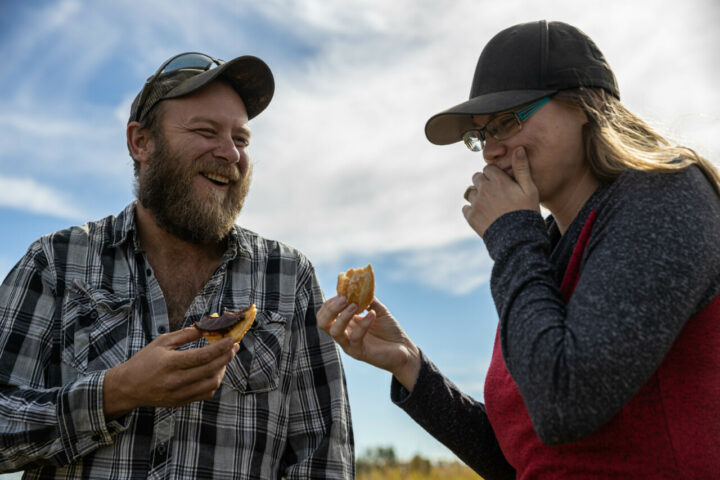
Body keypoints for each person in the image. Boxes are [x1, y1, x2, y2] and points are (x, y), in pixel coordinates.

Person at [317, 20, 720, 479]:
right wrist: (410, 366)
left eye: (508, 120)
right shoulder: (541, 251)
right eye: (481, 135)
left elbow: (564, 404)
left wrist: (511, 234)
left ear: (587, 104)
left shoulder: (663, 195)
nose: (489, 150)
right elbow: (526, 461)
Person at [0, 52, 354, 479]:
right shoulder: (56, 262)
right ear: (141, 142)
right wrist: (114, 392)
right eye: (206, 131)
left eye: (241, 140)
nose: (230, 153)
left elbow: (324, 460)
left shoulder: (288, 277)